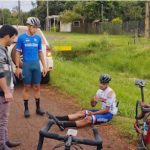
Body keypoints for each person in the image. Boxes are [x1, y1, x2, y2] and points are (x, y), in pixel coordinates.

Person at [48, 74, 118, 130]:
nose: (101, 85)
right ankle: (57, 118)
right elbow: (93, 105)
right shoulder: (99, 91)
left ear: (107, 84)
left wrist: (93, 113)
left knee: (87, 119)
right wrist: (92, 100)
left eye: (103, 83)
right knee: (81, 113)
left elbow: (106, 110)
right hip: (102, 110)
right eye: (101, 83)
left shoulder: (110, 93)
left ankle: (63, 125)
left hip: (108, 114)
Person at [15, 17, 47, 118]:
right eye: (34, 27)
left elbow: (40, 52)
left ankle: (38, 108)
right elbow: (17, 52)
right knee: (27, 87)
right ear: (28, 26)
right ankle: (26, 109)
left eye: (37, 27)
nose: (36, 29)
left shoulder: (38, 38)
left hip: (36, 65)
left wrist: (44, 66)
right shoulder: (21, 38)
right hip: (27, 65)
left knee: (37, 87)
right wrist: (17, 67)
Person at [0, 25, 21, 150]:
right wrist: (7, 91)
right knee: (2, 119)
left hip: (6, 88)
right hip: (3, 90)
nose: (13, 40)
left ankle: (5, 140)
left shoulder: (4, 49)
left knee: (5, 117)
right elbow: (0, 73)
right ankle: (2, 145)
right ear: (7, 36)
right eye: (13, 37)